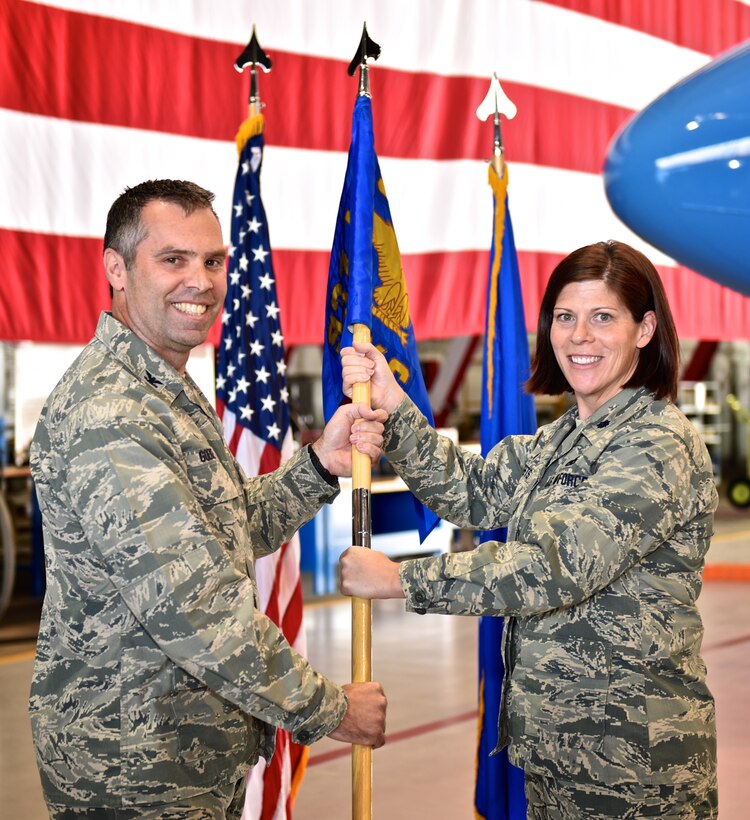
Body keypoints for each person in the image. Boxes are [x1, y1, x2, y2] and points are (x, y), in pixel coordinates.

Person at [29, 179, 388, 819]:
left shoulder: (165, 385)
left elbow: (229, 527)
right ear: (115, 268)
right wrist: (331, 709)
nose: (201, 281)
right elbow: (193, 606)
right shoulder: (111, 411)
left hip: (185, 754)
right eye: (173, 260)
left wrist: (318, 465)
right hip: (135, 769)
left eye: (213, 261)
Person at [340, 240, 718, 819]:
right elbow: (470, 490)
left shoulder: (654, 442)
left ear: (644, 330)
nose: (579, 337)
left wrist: (401, 580)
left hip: (633, 764)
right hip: (558, 752)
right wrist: (394, 407)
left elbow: (552, 566)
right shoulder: (561, 440)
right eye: (565, 317)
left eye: (602, 318)